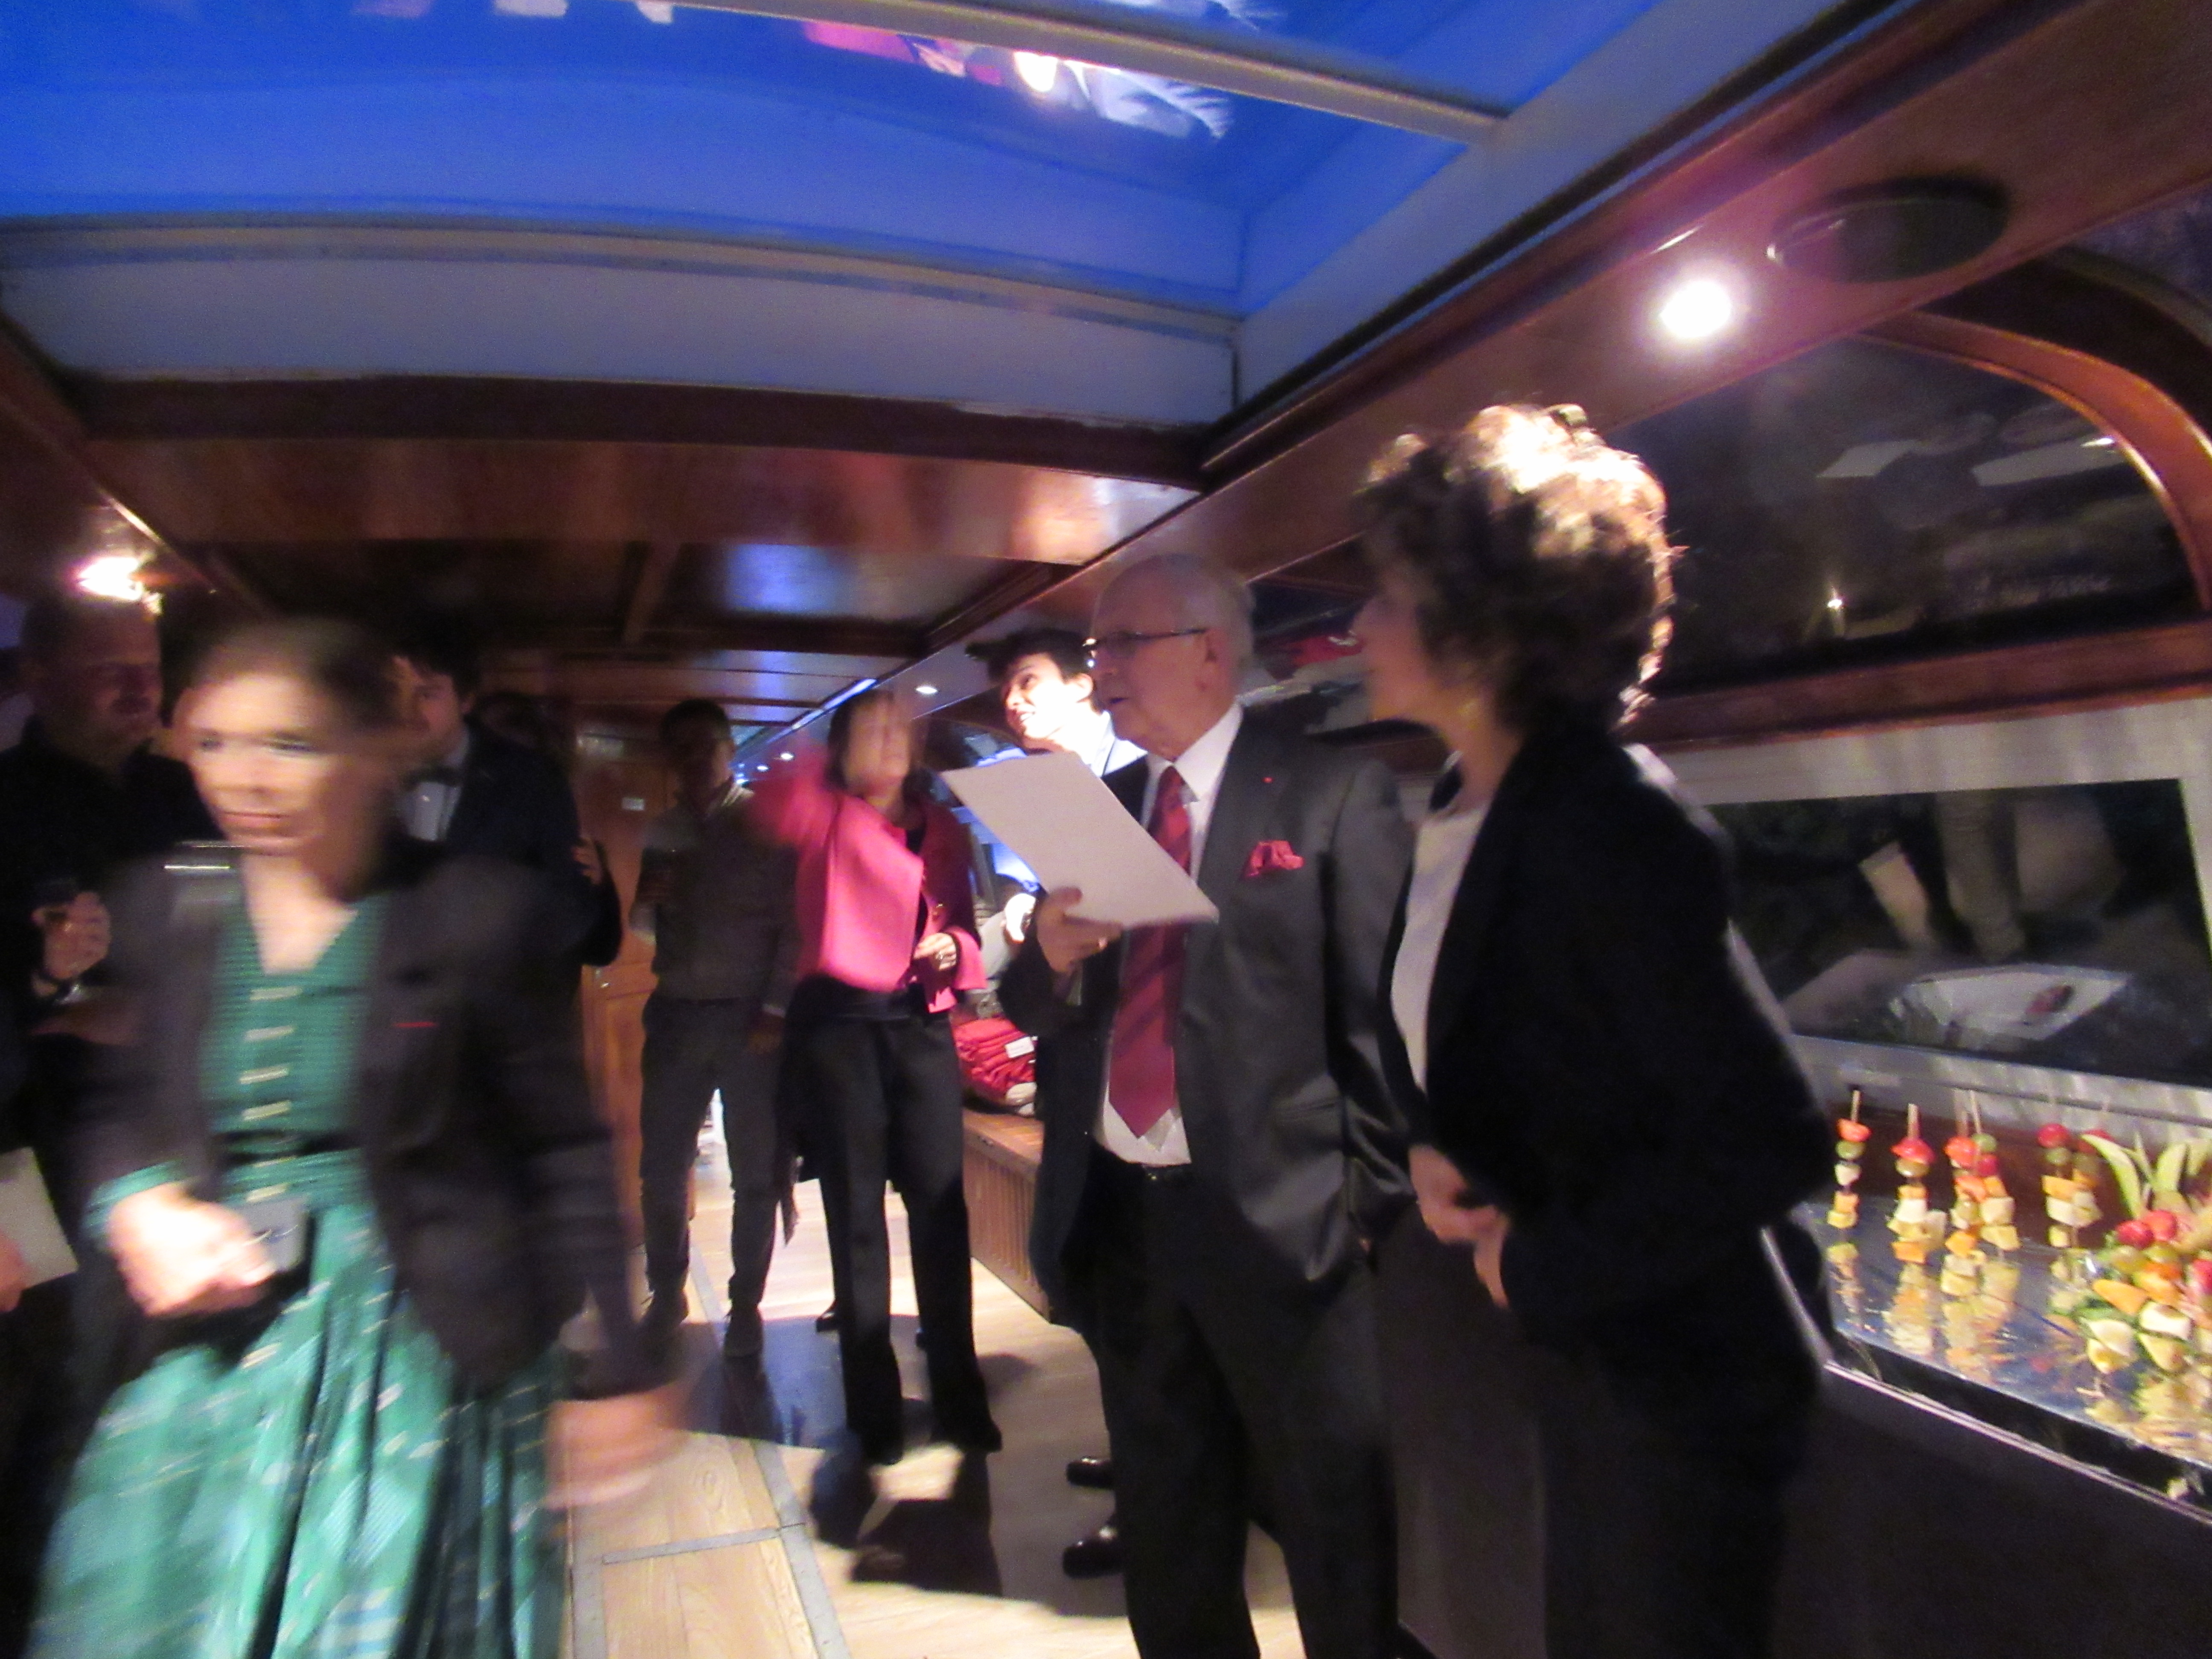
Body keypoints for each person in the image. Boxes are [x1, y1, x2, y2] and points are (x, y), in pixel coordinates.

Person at [30, 618, 673, 1659]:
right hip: (212, 1344)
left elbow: (561, 1146)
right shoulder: (170, 901)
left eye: (290, 744)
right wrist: (138, 1199)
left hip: (417, 1344)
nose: (244, 778)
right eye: (217, 742)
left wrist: (623, 1369)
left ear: (378, 750)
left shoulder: (471, 909)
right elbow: (122, 1104)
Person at [1353, 406, 1831, 1659]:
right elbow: (1492, 1039)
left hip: (1686, 1379)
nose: (1356, 628)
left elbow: (1770, 1138)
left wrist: (1543, 1264)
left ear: (1479, 624)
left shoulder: (1606, 818)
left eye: (1388, 596)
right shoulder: (1463, 800)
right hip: (1591, 1361)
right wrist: (1436, 1149)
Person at [1004, 553, 1412, 1659]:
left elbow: (1381, 1029)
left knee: (1337, 1543)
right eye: (1095, 651)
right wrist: (1048, 956)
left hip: (1289, 1235)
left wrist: (1359, 1211)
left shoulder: (1332, 794)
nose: (1100, 673)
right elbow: (1036, 1008)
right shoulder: (1104, 807)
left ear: (1209, 652)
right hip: (1129, 1228)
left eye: (1120, 647)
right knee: (1172, 1542)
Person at [0, 590, 216, 1659]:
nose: (140, 687)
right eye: (109, 668)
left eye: (149, 665)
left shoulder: (184, 795)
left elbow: (224, 931)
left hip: (190, 1128)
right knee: (64, 1391)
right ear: (37, 676)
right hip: (39, 1150)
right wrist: (55, 995)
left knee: (182, 1373)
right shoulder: (5, 804)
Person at [750, 689, 1000, 1467]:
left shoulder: (944, 826)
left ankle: (960, 1397)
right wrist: (821, 756)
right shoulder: (823, 812)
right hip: (840, 1030)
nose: (890, 740)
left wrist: (955, 947)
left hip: (921, 1026)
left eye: (900, 729)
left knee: (941, 1210)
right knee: (856, 1216)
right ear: (842, 746)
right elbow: (773, 793)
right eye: (872, 728)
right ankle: (873, 1409)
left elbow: (961, 921)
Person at [967, 625, 1141, 1575]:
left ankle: (1158, 1488)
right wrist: (1032, 925)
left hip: (1149, 1061)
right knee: (1087, 1268)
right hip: (1079, 1059)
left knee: (1140, 1287)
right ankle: (1138, 1458)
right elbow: (1025, 959)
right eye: (1007, 689)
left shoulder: (1142, 776)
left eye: (1031, 681)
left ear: (1084, 685)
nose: (1015, 701)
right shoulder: (1031, 792)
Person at [630, 698, 797, 1364]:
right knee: (660, 1169)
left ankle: (746, 1306)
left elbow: (794, 926)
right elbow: (645, 928)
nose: (695, 758)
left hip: (750, 1016)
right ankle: (666, 1295)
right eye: (683, 748)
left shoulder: (766, 823)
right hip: (676, 1011)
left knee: (755, 1173)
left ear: (731, 748)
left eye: (707, 744)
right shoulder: (663, 828)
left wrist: (776, 1010)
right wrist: (648, 903)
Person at [389, 616, 602, 956]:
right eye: (393, 693)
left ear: (466, 700)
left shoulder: (532, 779)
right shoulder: (357, 774)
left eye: (427, 694)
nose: (407, 711)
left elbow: (569, 906)